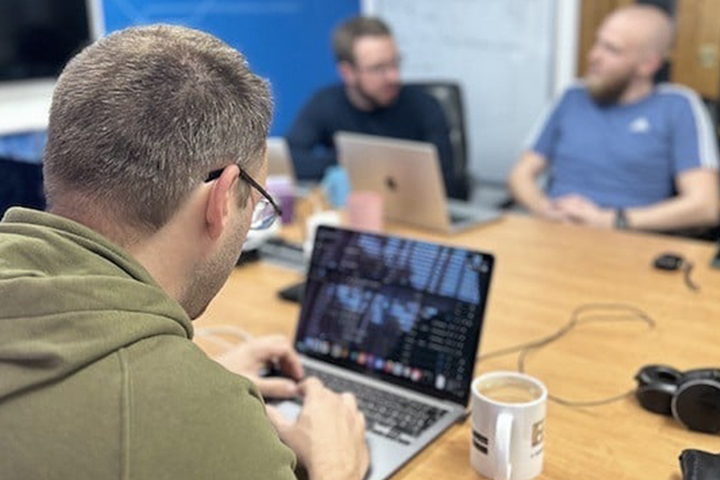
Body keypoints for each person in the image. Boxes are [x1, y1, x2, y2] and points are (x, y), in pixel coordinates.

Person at [0, 25, 368, 480]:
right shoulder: (216, 429)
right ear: (222, 197)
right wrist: (339, 465)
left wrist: (188, 376)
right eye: (257, 205)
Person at [509, 5, 720, 233]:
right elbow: (520, 175)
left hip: (628, 242)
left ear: (647, 64)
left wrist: (611, 220)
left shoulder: (678, 106)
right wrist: (543, 209)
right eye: (598, 42)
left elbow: (705, 205)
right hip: (555, 231)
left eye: (612, 50)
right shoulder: (571, 97)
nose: (593, 56)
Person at [286, 16, 468, 199]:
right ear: (348, 72)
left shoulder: (426, 107)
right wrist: (349, 161)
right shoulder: (326, 103)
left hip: (416, 213)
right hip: (356, 212)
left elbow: (445, 185)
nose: (393, 76)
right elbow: (289, 158)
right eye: (378, 68)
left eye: (395, 63)